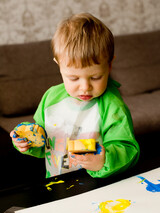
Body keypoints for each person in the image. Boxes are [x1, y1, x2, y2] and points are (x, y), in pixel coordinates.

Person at [10, 13, 140, 178]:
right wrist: (27, 143)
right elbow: (45, 143)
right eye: (73, 78)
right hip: (57, 182)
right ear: (59, 66)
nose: (85, 87)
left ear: (110, 66)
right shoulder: (51, 98)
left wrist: (105, 160)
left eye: (95, 77)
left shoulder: (112, 106)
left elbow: (128, 150)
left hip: (99, 187)